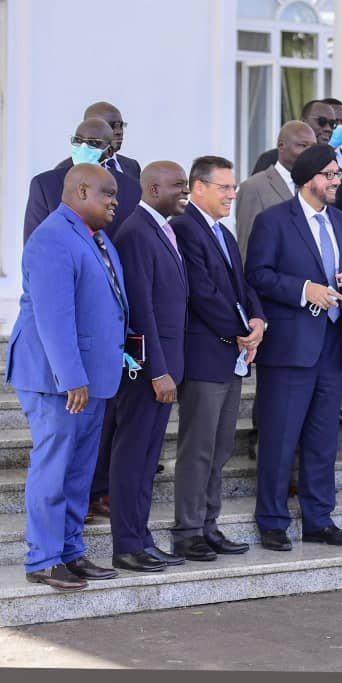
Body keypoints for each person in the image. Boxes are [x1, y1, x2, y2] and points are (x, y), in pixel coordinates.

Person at [7, 164, 127, 591]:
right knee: (54, 468)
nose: (115, 200)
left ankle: (71, 552)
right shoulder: (52, 238)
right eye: (108, 193)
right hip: (56, 377)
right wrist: (71, 377)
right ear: (80, 192)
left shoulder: (97, 239)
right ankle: (43, 558)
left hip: (91, 376)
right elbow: (53, 318)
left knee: (79, 471)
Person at [245, 143, 342, 551]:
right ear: (308, 179)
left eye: (337, 175)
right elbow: (257, 275)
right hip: (290, 350)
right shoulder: (273, 221)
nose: (336, 181)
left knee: (322, 440)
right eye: (329, 175)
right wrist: (303, 290)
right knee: (279, 439)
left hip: (333, 347)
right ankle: (273, 522)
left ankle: (319, 519)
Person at [170, 156, 266, 561]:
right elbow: (202, 293)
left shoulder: (223, 234)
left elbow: (240, 286)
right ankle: (187, 530)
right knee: (199, 446)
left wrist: (258, 318)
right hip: (205, 354)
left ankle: (209, 524)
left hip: (231, 354)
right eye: (224, 187)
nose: (232, 194)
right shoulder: (184, 228)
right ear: (198, 188)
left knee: (221, 444)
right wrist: (240, 329)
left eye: (233, 188)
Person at [106, 161, 191, 572]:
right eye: (178, 185)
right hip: (147, 371)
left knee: (146, 458)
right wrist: (157, 370)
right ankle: (126, 544)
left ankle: (141, 538)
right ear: (153, 188)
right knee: (132, 456)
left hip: (165, 365)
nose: (185, 191)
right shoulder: (137, 232)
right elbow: (140, 310)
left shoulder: (160, 227)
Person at [24, 117, 142, 242]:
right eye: (78, 141)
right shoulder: (45, 185)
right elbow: (34, 242)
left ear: (109, 151)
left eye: (94, 143)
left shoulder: (131, 188)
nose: (83, 147)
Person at [235, 121, 316, 260]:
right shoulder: (254, 187)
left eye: (313, 147)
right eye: (302, 146)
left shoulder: (317, 187)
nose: (309, 153)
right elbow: (246, 250)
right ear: (281, 146)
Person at [55, 102, 141, 178]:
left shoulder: (132, 166)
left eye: (121, 125)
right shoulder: (63, 171)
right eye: (110, 125)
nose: (119, 131)